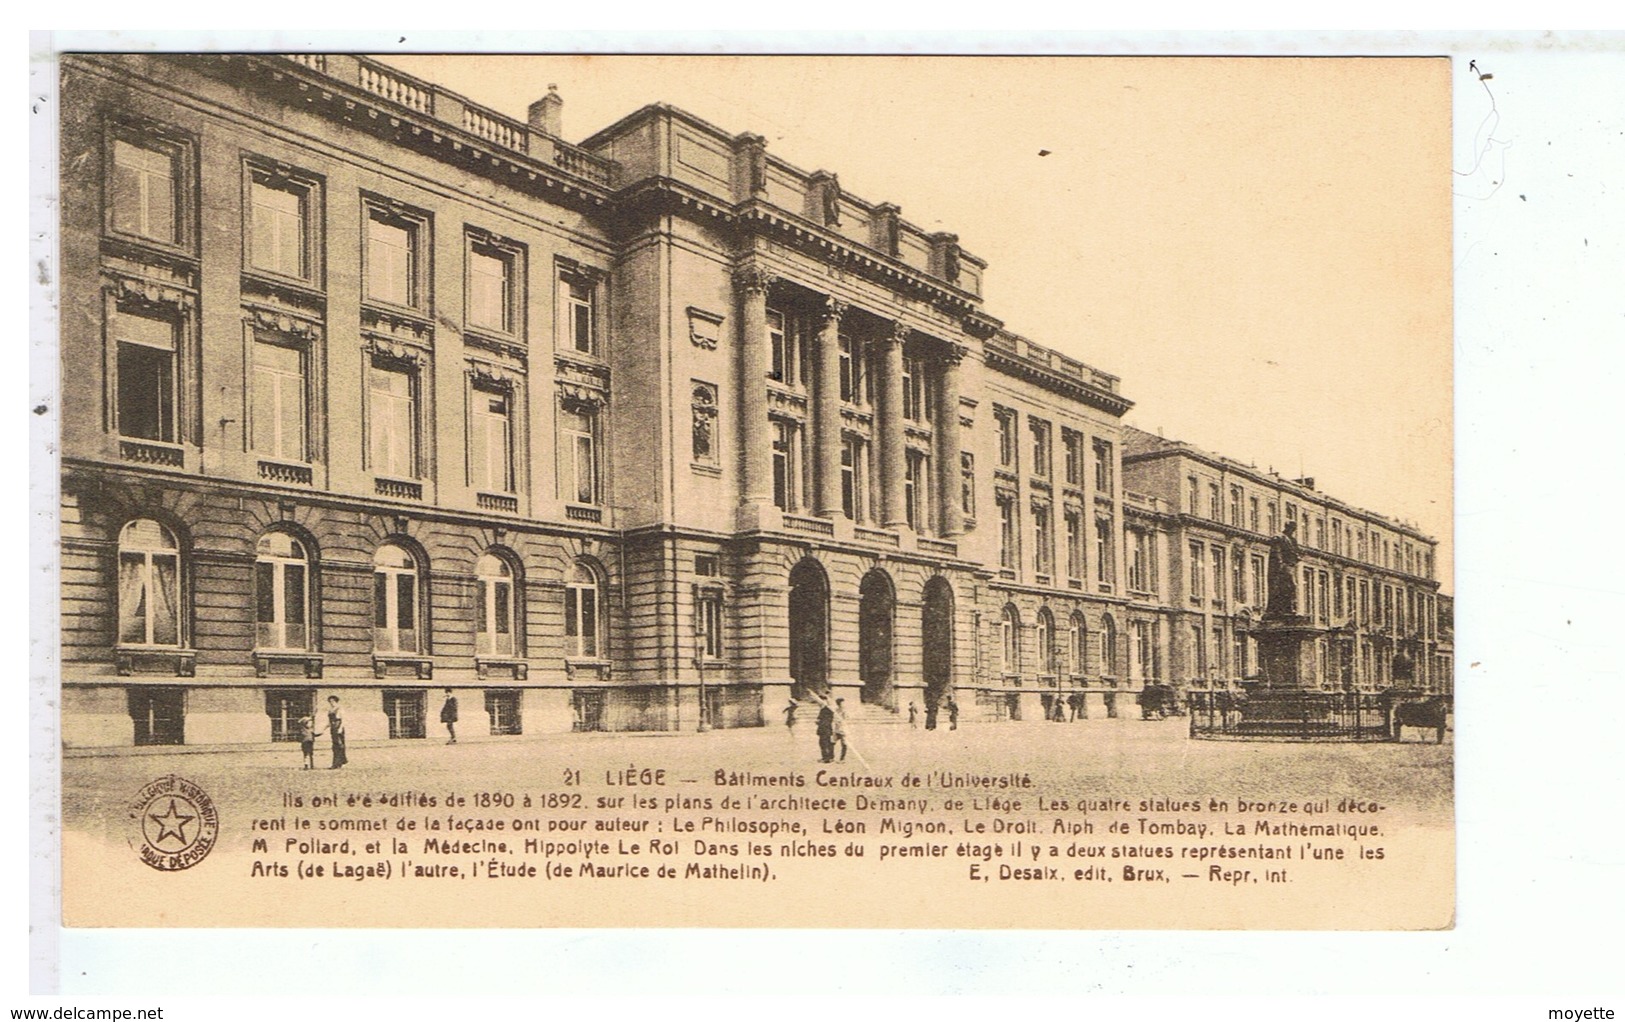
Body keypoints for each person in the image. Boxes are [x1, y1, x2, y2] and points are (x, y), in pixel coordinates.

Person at [326, 695, 347, 769]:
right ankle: (337, 762)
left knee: (339, 745)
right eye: (330, 702)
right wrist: (324, 728)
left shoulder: (340, 709)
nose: (331, 703)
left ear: (336, 701)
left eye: (332, 701)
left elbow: (343, 719)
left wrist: (340, 728)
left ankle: (338, 763)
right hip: (333, 728)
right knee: (334, 746)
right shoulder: (330, 710)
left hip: (338, 727)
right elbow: (329, 721)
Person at [833, 698, 849, 762]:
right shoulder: (836, 710)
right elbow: (834, 719)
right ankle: (831, 757)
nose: (843, 704)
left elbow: (847, 718)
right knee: (832, 743)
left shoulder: (845, 711)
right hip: (837, 729)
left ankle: (842, 758)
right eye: (842, 703)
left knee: (844, 744)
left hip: (843, 729)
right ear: (839, 704)